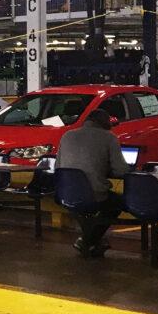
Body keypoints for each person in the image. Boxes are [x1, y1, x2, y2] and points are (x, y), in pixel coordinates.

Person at [56, 109, 130, 257]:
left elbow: (58, 166)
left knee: (84, 211)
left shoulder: (67, 135)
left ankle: (89, 241)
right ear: (104, 123)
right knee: (117, 203)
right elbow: (121, 170)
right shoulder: (109, 137)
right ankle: (88, 240)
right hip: (93, 195)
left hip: (66, 193)